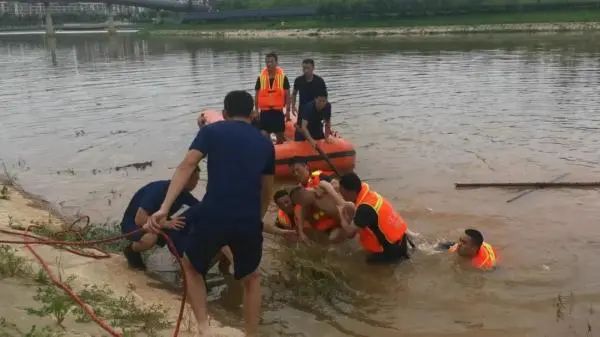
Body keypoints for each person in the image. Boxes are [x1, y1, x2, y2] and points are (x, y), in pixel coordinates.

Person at [146, 90, 275, 337]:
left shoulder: (211, 132)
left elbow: (188, 165)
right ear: (252, 114)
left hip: (214, 212)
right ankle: (251, 334)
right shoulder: (265, 144)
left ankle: (204, 327)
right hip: (247, 219)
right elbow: (267, 189)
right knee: (252, 278)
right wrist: (256, 217)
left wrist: (164, 208)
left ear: (225, 113)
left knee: (191, 266)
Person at [120, 169, 200, 270]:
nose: (196, 183)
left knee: (181, 227)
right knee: (151, 238)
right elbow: (139, 219)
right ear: (186, 178)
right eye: (195, 179)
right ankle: (131, 251)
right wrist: (166, 224)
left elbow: (200, 208)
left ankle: (181, 261)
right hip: (133, 224)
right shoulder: (157, 191)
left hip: (158, 221)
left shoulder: (183, 194)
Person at [337, 173, 410, 264]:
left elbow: (349, 233)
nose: (342, 197)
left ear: (351, 192)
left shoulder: (364, 210)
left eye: (342, 193)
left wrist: (341, 215)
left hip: (392, 251)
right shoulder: (369, 195)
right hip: (402, 240)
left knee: (358, 263)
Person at [255, 52, 291, 144]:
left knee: (280, 136)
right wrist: (256, 110)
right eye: (267, 62)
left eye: (271, 62)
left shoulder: (283, 77)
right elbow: (257, 94)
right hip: (265, 112)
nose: (269, 64)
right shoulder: (261, 77)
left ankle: (280, 150)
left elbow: (287, 95)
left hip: (278, 111)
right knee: (264, 134)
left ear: (276, 62)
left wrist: (287, 111)